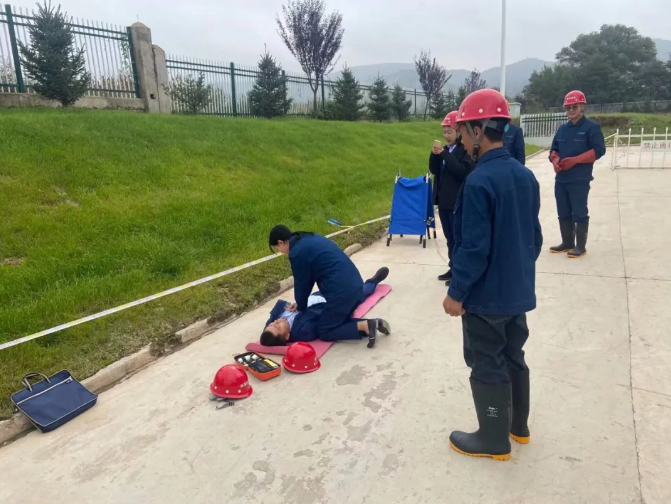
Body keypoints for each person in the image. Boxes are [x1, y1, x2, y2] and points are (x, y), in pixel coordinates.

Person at [442, 89, 543, 461]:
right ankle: (519, 427)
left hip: (486, 298)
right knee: (514, 354)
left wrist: (457, 292)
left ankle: (493, 438)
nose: (464, 139)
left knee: (486, 361)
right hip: (516, 293)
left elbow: (473, 248)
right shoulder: (524, 176)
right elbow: (533, 237)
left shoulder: (479, 181)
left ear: (480, 129)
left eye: (465, 131)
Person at [268, 226, 391, 349]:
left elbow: (302, 282)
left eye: (277, 248)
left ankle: (367, 325)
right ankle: (373, 281)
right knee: (358, 293)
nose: (276, 322)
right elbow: (308, 279)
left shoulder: (296, 253)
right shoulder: (307, 237)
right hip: (351, 279)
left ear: (280, 242)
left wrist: (301, 305)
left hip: (339, 292)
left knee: (325, 330)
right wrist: (300, 303)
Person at [260, 268, 390, 347]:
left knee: (347, 284)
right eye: (277, 326)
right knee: (361, 293)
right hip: (332, 301)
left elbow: (277, 311)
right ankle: (374, 280)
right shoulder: (302, 331)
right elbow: (328, 324)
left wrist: (300, 302)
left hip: (316, 295)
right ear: (287, 336)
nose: (276, 321)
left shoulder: (272, 324)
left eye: (272, 323)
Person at [548, 90, 606, 258]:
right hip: (562, 178)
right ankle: (567, 242)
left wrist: (576, 160)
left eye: (574, 107)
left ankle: (581, 246)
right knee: (563, 211)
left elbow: (599, 150)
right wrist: (554, 159)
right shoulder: (563, 129)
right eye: (568, 107)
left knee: (579, 211)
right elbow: (554, 149)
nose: (571, 110)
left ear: (582, 107)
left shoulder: (591, 128)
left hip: (579, 178)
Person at [429, 111, 475, 285]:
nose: (447, 136)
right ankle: (453, 267)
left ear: (459, 132)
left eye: (450, 132)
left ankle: (461, 272)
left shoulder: (465, 150)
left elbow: (462, 171)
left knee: (459, 238)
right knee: (449, 237)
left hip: (457, 200)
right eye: (445, 132)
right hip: (444, 200)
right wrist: (435, 154)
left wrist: (444, 155)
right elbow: (434, 170)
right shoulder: (445, 150)